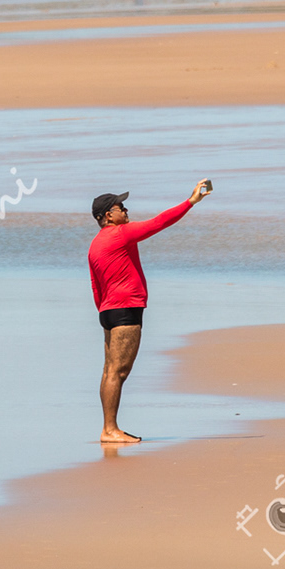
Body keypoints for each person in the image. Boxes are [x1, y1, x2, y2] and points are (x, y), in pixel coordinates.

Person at [87, 183, 210, 443]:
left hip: (108, 312)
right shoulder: (120, 234)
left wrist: (104, 313)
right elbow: (160, 222)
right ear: (109, 215)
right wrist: (191, 201)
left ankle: (108, 428)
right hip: (125, 310)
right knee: (119, 372)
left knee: (110, 371)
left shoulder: (95, 245)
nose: (126, 209)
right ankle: (109, 430)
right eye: (121, 207)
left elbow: (95, 285)